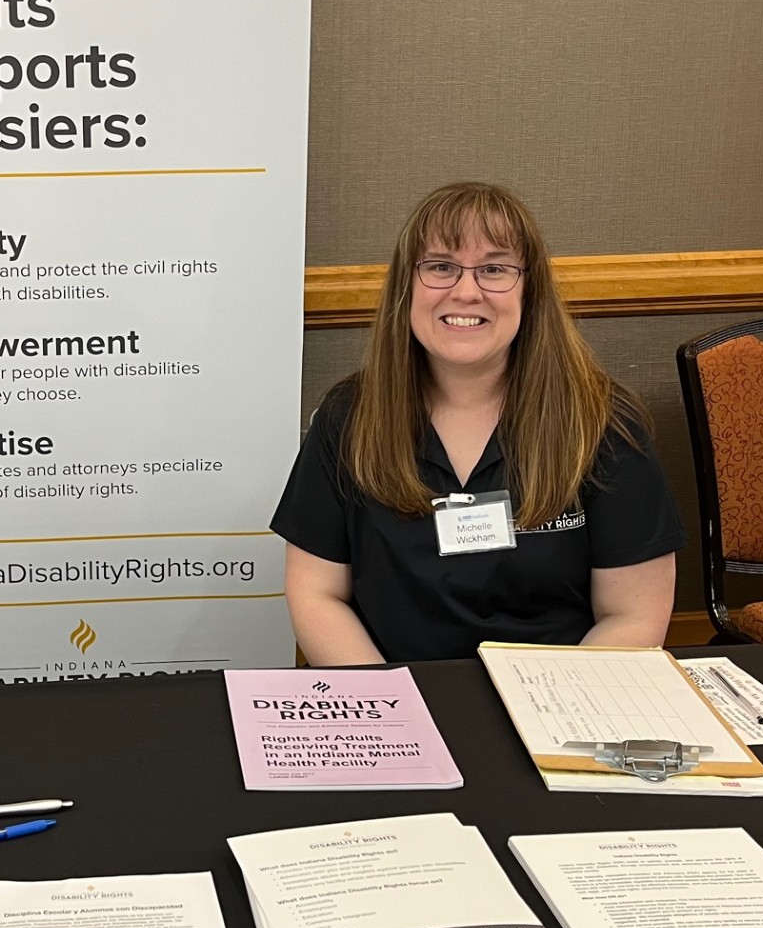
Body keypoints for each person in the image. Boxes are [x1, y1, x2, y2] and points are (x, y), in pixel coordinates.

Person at [274, 181, 682, 664]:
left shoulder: (603, 422)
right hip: (396, 691)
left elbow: (632, 615)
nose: (466, 292)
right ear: (407, 285)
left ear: (530, 290)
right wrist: (388, 700)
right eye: (440, 267)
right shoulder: (348, 417)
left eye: (494, 269)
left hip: (560, 694)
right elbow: (317, 593)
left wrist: (550, 702)